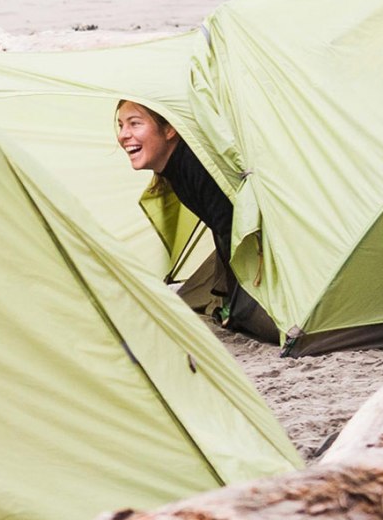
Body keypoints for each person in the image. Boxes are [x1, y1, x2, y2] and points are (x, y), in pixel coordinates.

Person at [115, 99, 278, 344]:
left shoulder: (196, 165)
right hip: (248, 255)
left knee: (257, 320)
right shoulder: (175, 169)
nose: (123, 135)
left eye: (134, 124)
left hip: (267, 254)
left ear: (170, 129)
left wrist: (239, 304)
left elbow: (233, 231)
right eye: (120, 125)